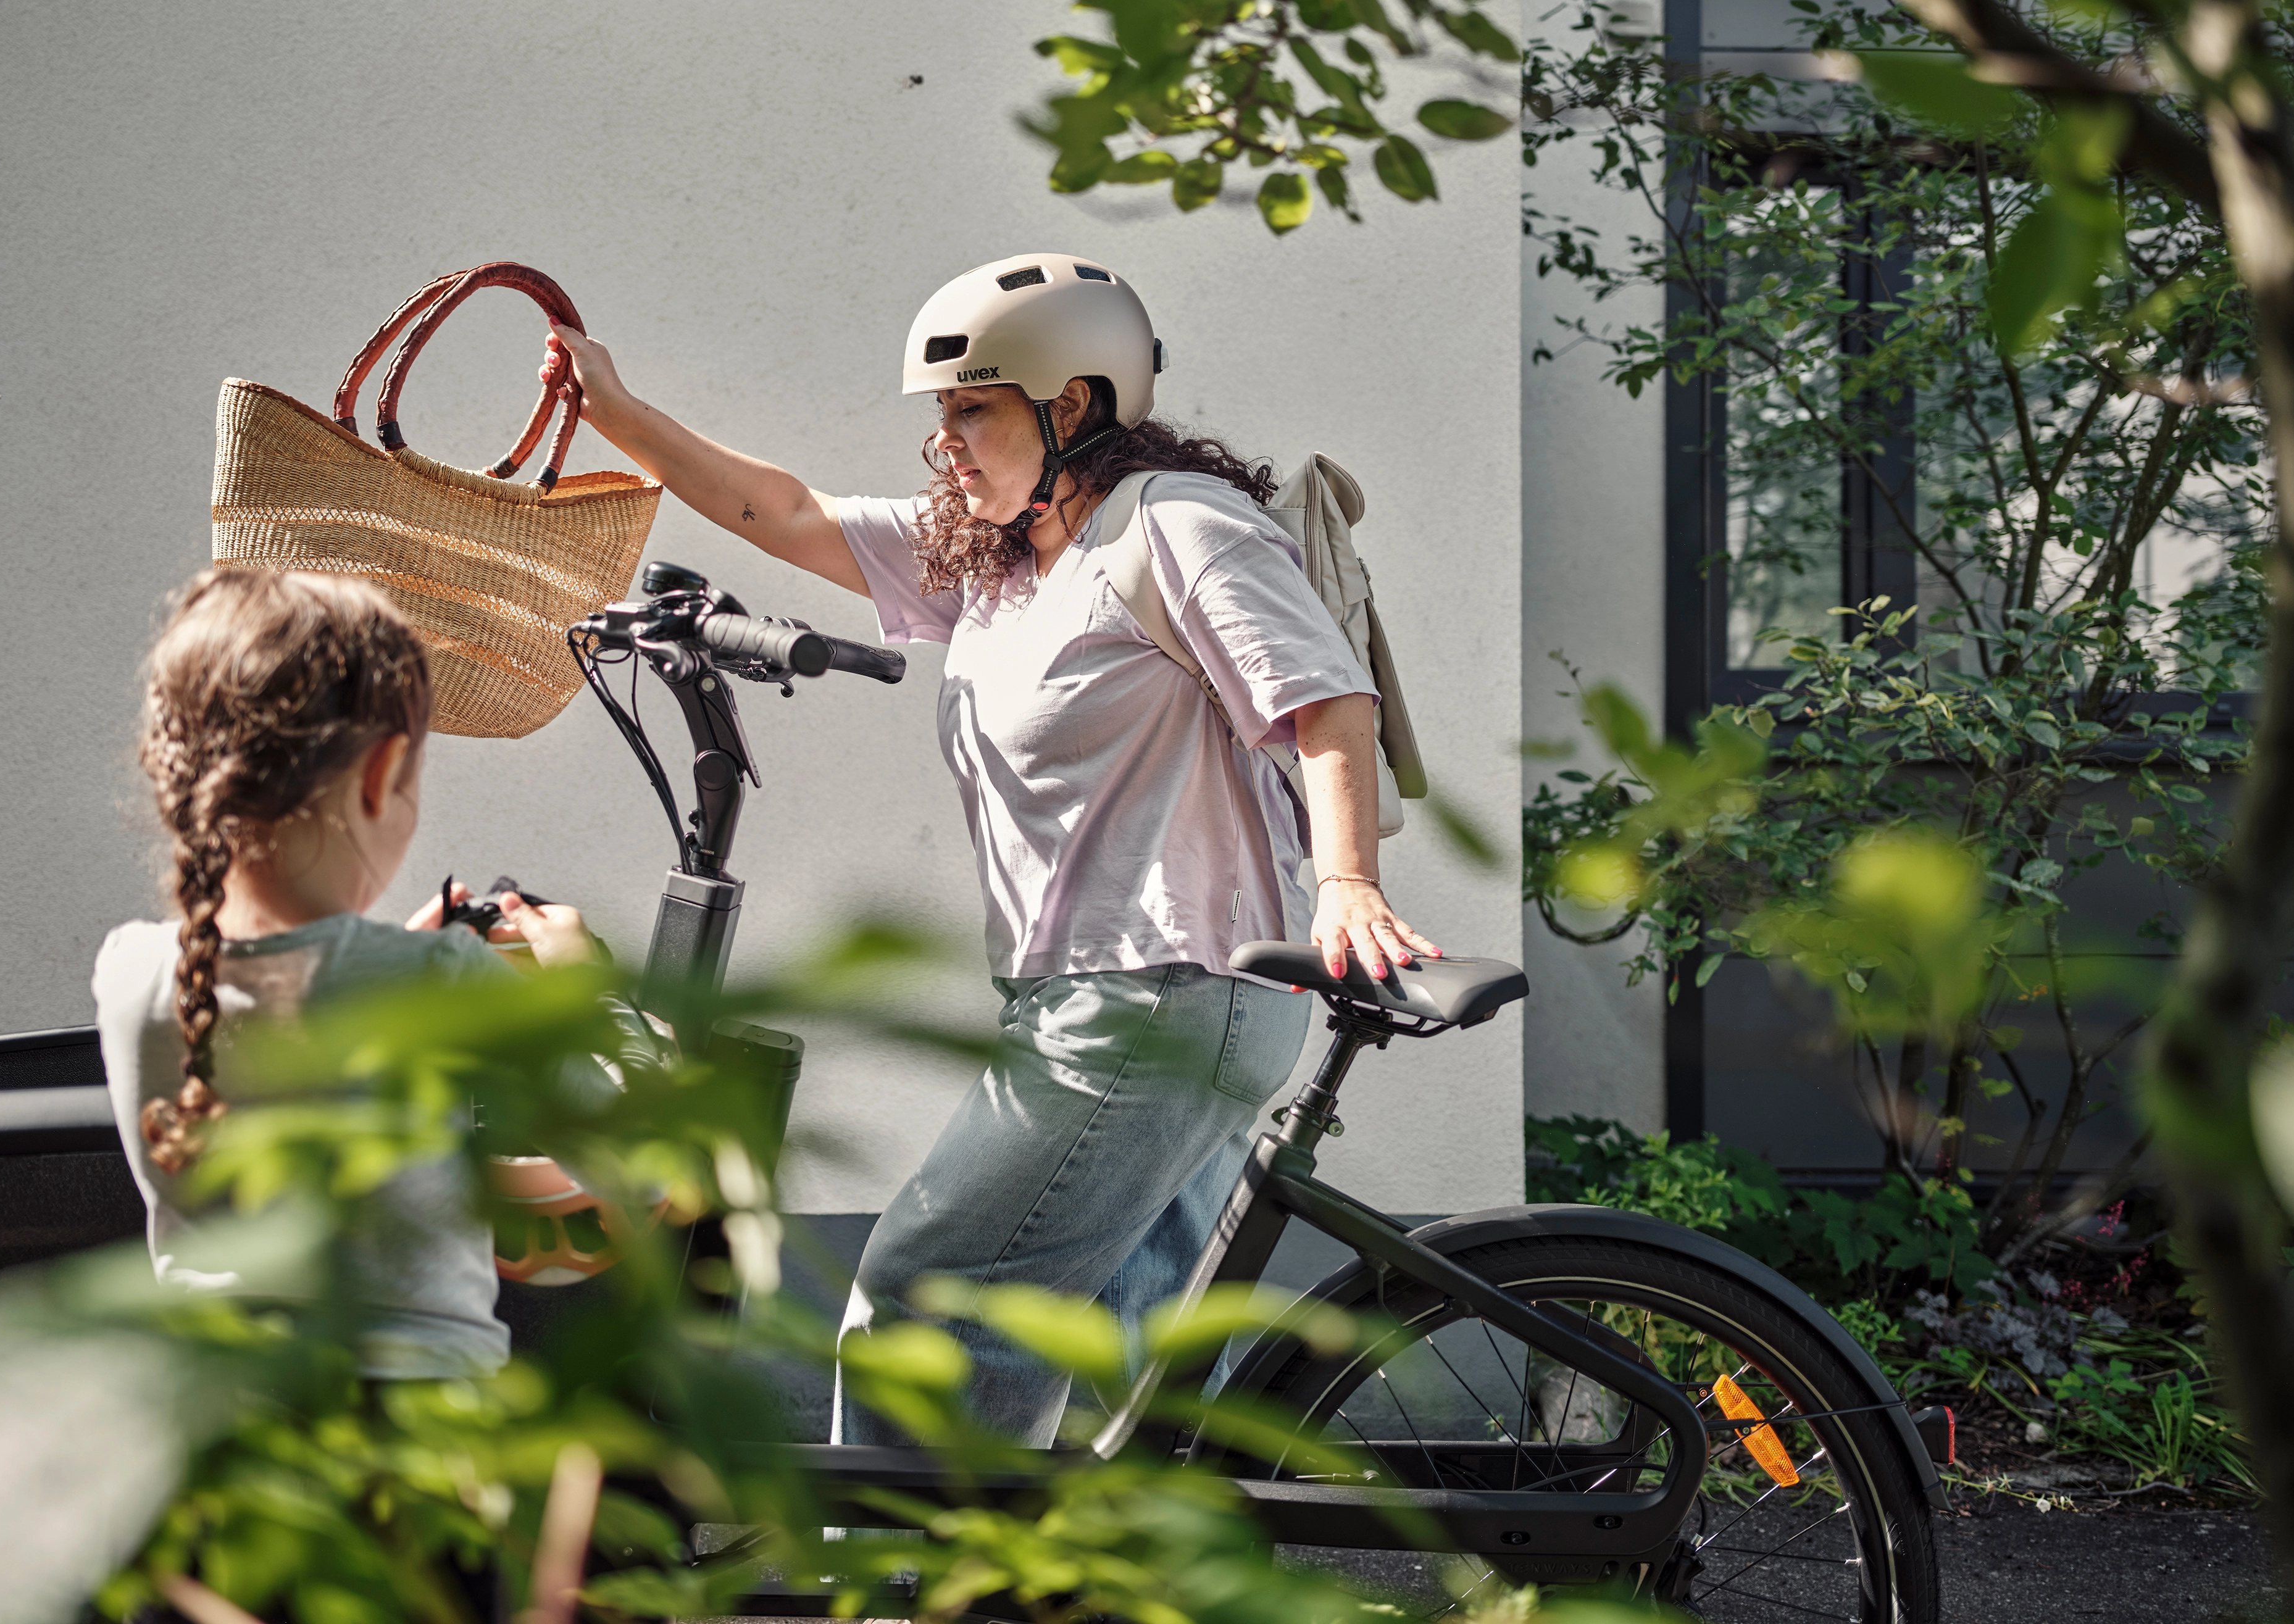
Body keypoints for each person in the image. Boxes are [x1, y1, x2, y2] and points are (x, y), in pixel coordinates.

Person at [546, 252, 1438, 1447]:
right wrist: (617, 414)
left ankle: (909, 1554)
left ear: (1072, 403)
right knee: (1133, 1376)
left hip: (1161, 993)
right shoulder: (1003, 561)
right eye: (942, 414)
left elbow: (1325, 700)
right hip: (1108, 999)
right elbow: (792, 514)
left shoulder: (1176, 524)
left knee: (932, 1298)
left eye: (973, 408)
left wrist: (1346, 883)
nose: (946, 442)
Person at [93, 566, 598, 1380]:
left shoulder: (128, 971)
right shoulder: (444, 980)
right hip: (418, 1422)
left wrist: (386, 964)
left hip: (216, 1413)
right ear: (382, 774)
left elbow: (290, 1011)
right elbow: (636, 1157)